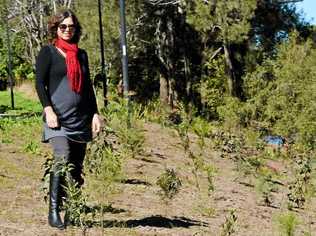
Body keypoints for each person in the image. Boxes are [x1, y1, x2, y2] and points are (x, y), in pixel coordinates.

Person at [35, 10, 101, 229]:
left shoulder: (81, 55)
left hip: (80, 119)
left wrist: (95, 113)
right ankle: (54, 212)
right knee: (62, 158)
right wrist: (48, 110)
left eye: (71, 27)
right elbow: (40, 84)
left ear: (76, 29)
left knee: (76, 166)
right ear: (56, 28)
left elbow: (88, 87)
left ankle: (73, 210)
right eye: (63, 27)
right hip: (58, 119)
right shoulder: (48, 52)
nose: (67, 30)